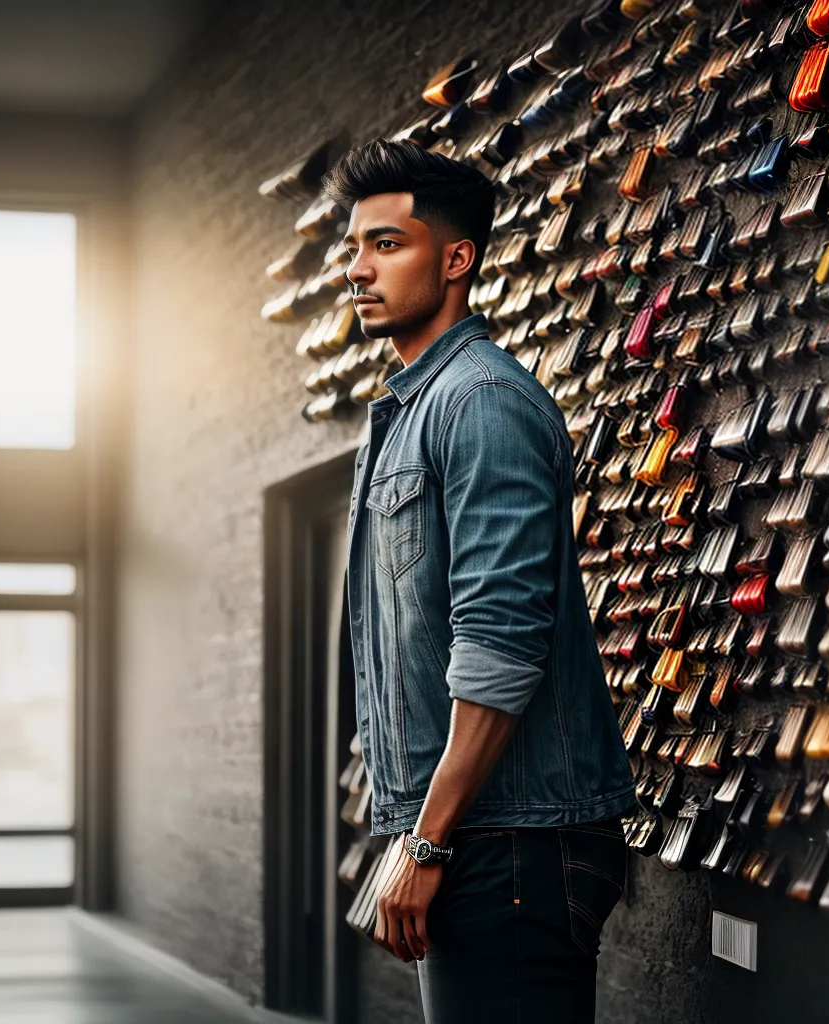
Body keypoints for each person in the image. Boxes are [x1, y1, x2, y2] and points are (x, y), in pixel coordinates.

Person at [324, 138, 634, 1024]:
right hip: (480, 832)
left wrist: (425, 843)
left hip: (511, 843)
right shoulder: (414, 411)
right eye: (353, 248)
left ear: (457, 259)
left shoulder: (480, 403)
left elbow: (500, 647)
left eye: (387, 244)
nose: (357, 269)